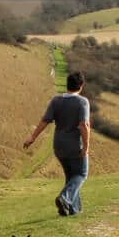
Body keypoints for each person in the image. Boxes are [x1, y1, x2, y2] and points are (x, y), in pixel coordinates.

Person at [23, 71, 91, 216]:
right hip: (74, 146)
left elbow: (45, 120)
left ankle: (72, 210)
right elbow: (84, 125)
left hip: (58, 146)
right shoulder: (82, 102)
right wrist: (86, 147)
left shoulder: (56, 101)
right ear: (81, 86)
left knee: (71, 177)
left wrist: (32, 137)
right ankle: (64, 198)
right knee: (81, 174)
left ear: (67, 85)